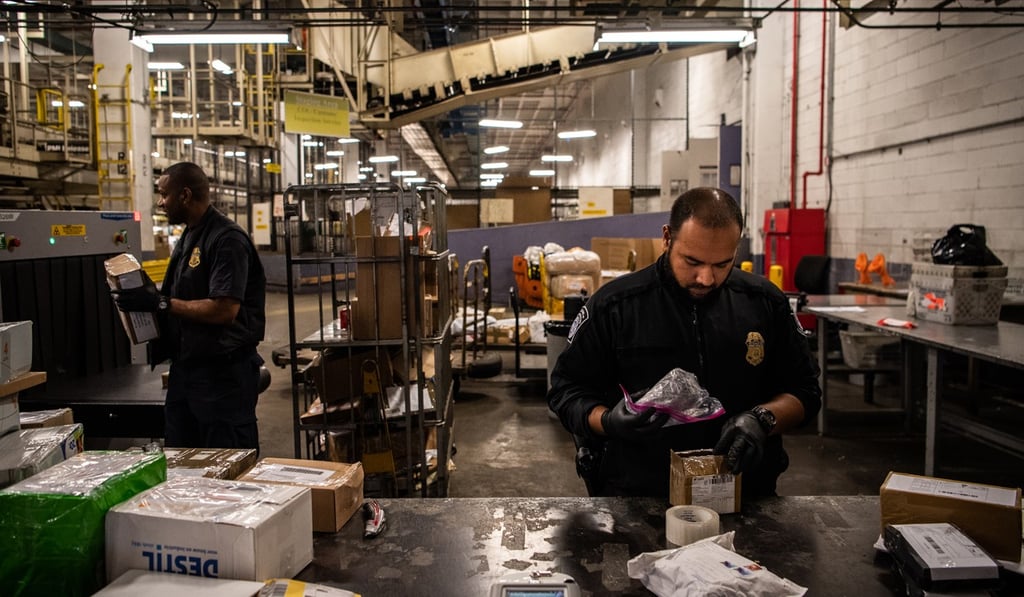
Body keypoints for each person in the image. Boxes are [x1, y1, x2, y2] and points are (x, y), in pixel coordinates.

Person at [548, 187, 821, 497]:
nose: (706, 278)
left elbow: (806, 390)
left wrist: (763, 419)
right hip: (640, 493)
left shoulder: (765, 303)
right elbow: (566, 390)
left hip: (744, 489)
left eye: (722, 264)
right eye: (692, 261)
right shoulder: (615, 306)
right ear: (667, 238)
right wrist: (608, 421)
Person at [112, 161, 267, 451]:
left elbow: (225, 310)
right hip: (188, 373)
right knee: (181, 462)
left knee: (226, 465)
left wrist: (160, 303)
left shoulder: (226, 239)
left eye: (164, 194)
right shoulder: (190, 235)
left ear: (184, 195)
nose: (160, 202)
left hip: (223, 379)